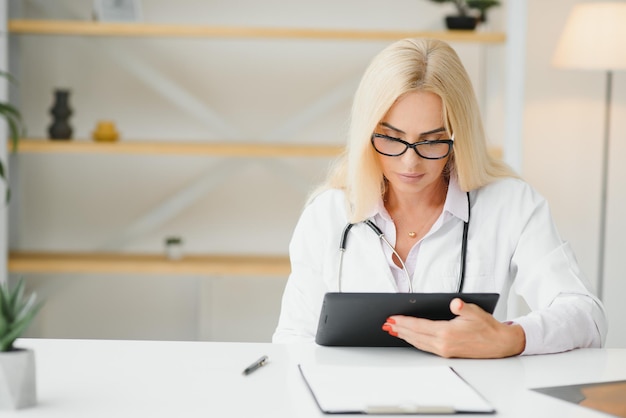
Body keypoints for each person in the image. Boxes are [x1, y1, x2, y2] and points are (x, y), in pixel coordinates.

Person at [272, 38, 607, 358]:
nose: (410, 162)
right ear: (366, 132)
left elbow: (586, 314)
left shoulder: (511, 205)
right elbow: (293, 340)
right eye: (392, 138)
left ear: (458, 136)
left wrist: (512, 338)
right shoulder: (327, 214)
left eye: (431, 142)